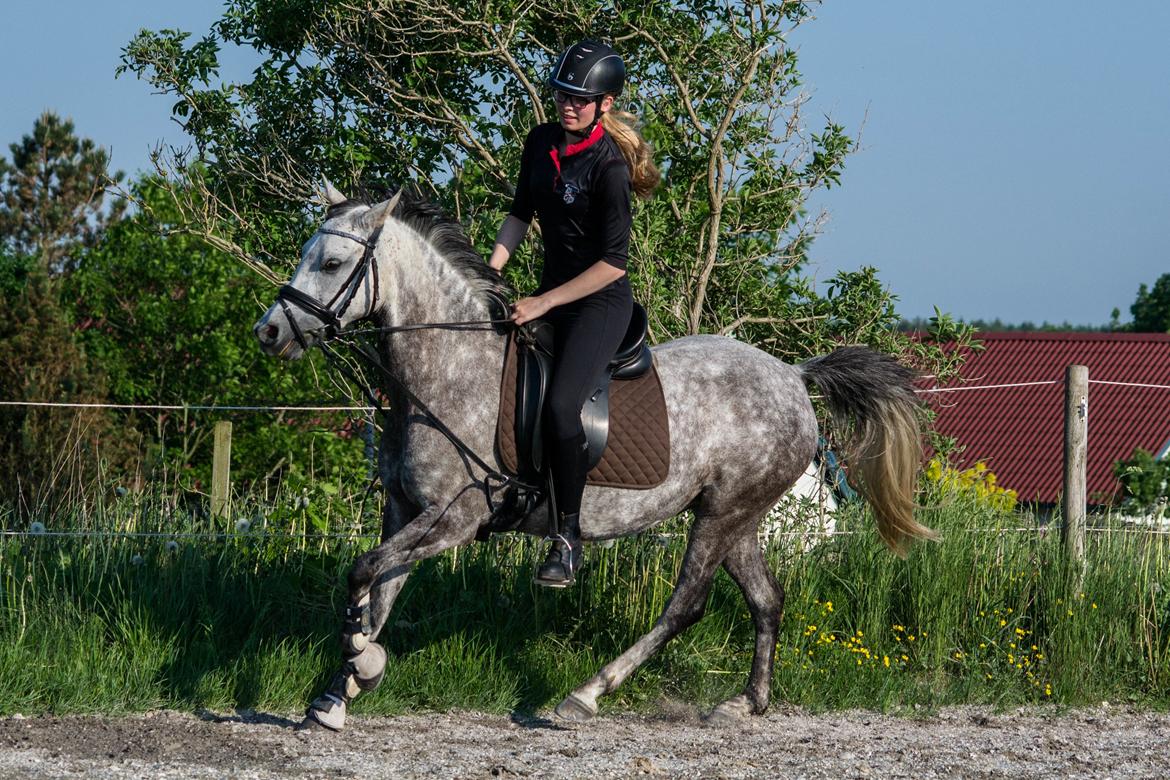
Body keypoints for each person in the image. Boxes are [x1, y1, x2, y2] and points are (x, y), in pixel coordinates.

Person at [488, 39, 660, 587]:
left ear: (605, 105)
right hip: (551, 294)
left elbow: (613, 264)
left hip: (600, 304)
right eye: (563, 95)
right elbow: (519, 215)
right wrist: (489, 273)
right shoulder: (539, 142)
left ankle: (568, 537)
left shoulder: (610, 167)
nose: (568, 105)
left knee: (562, 407)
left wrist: (543, 301)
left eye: (581, 100)